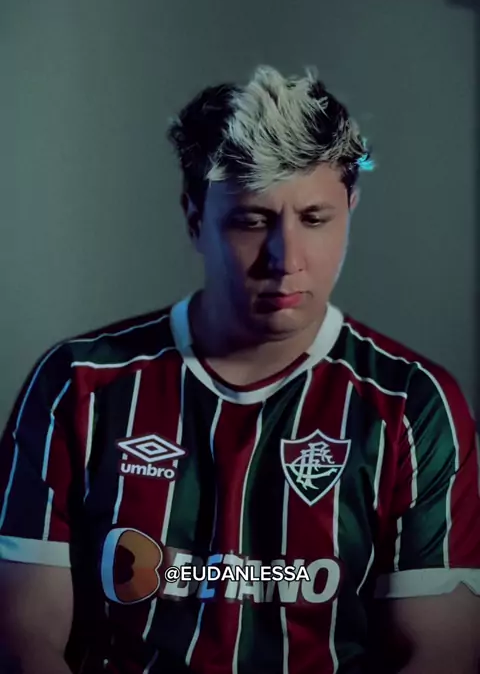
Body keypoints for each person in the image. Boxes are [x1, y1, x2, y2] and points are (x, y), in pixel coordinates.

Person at [0, 66, 479, 674]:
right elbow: (25, 638)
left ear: (350, 210)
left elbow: (441, 649)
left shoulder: (410, 403)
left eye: (315, 219)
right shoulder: (79, 384)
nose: (286, 259)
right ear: (194, 218)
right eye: (252, 221)